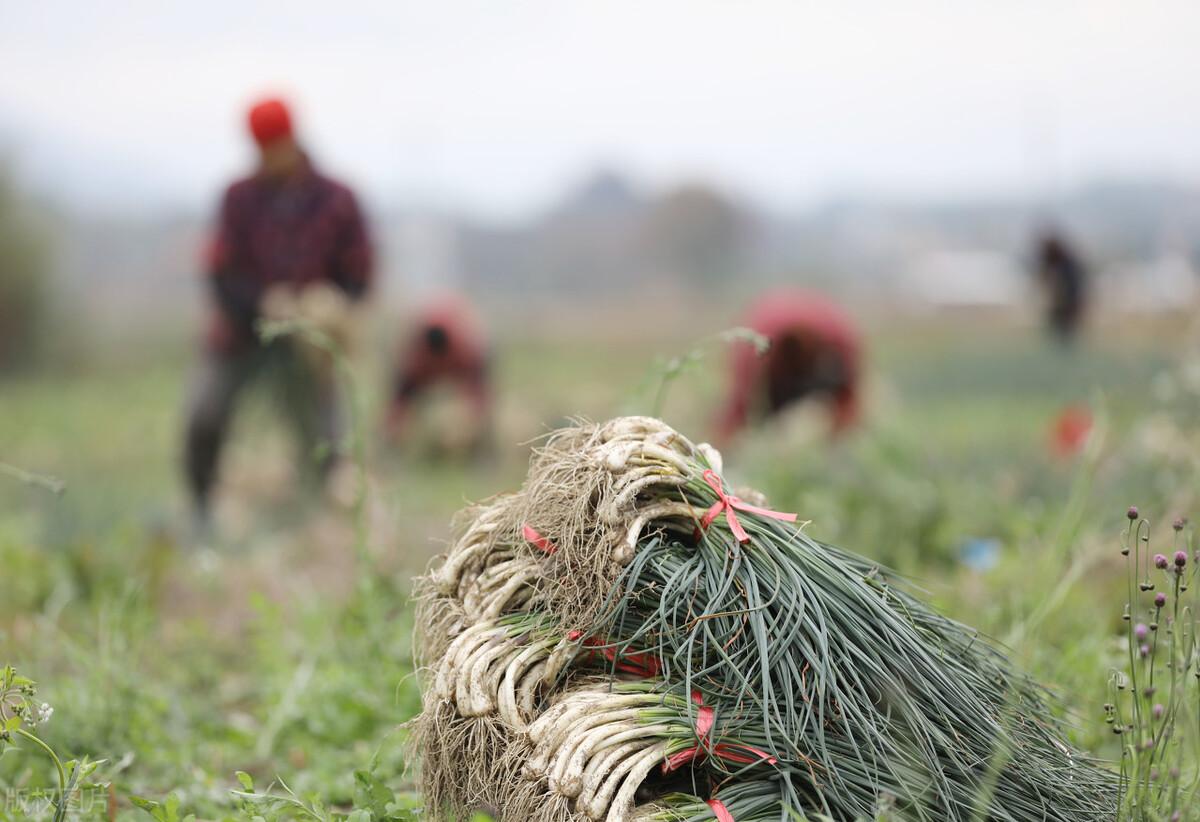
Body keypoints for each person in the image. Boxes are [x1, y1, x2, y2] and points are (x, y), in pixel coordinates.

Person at [184, 97, 373, 529]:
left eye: (277, 144)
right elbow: (221, 273)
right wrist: (263, 304)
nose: (271, 156)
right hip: (241, 335)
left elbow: (359, 271)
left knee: (323, 433)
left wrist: (330, 302)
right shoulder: (238, 199)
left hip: (309, 341)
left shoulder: (336, 200)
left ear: (293, 138)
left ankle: (322, 517)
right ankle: (203, 513)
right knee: (205, 414)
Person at [715, 289, 861, 443]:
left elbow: (849, 401)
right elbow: (738, 408)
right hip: (771, 376)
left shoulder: (837, 339)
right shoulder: (755, 351)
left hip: (818, 365)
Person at [385, 296, 491, 452]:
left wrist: (474, 415)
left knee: (480, 407)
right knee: (399, 408)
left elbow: (477, 385)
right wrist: (396, 420)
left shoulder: (464, 348)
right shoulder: (416, 354)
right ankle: (393, 444)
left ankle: (481, 446)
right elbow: (403, 391)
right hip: (421, 366)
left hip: (462, 357)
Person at [1034, 229, 1088, 341]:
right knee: (1059, 330)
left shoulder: (1067, 264)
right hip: (1062, 303)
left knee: (1065, 330)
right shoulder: (1055, 262)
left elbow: (1073, 286)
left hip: (1069, 301)